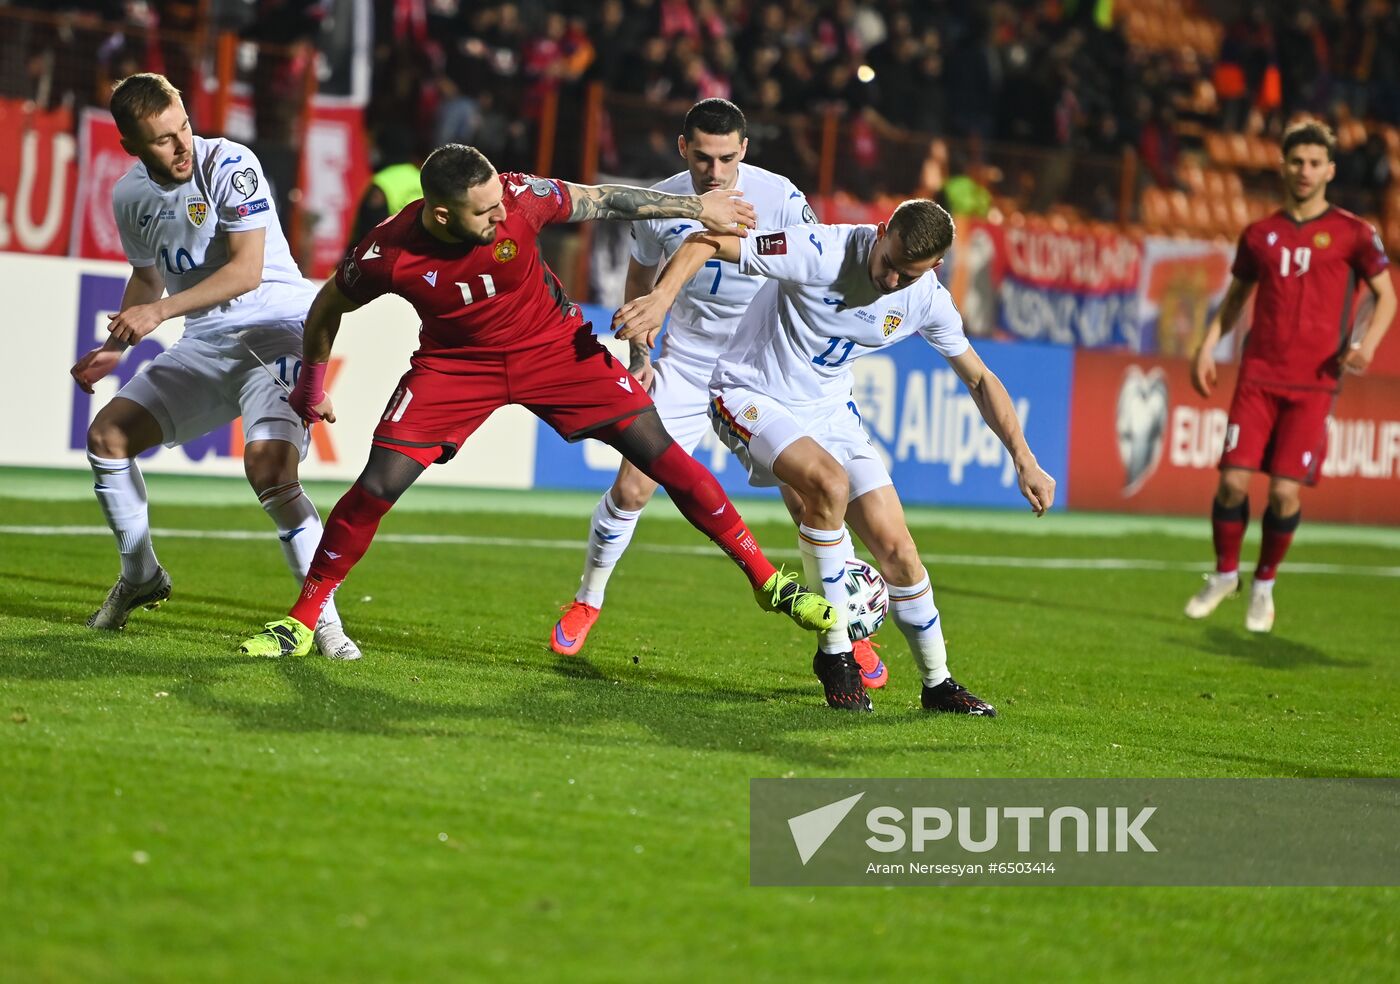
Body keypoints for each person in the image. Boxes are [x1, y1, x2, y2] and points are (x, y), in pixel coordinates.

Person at [236, 143, 839, 658]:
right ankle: (302, 621)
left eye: (500, 199)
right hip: (455, 368)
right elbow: (326, 309)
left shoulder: (521, 197)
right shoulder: (387, 253)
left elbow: (602, 199)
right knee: (375, 488)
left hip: (555, 350)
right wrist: (312, 385)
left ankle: (766, 580)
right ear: (441, 215)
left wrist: (691, 207)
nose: (502, 214)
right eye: (485, 211)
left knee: (665, 458)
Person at [614, 200, 1057, 713]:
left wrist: (1022, 456)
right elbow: (708, 240)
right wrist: (661, 299)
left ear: (933, 269)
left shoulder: (927, 300)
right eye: (888, 261)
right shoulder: (821, 250)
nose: (891, 280)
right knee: (828, 485)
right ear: (882, 229)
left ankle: (938, 683)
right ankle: (836, 653)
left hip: (830, 413)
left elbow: (979, 378)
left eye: (907, 274)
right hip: (748, 392)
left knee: (899, 551)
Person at [548, 98, 890, 690]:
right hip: (686, 361)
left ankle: (845, 635)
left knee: (811, 499)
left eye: (727, 157)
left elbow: (814, 268)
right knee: (633, 485)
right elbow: (640, 279)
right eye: (703, 157)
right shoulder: (660, 201)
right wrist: (640, 355)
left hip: (764, 365)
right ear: (684, 150)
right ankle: (588, 599)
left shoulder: (781, 196)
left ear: (745, 151)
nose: (715, 170)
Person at [68, 72, 361, 660]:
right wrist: (114, 349)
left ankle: (323, 622)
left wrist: (159, 312)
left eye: (184, 127)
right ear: (130, 145)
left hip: (278, 329)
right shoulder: (130, 196)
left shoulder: (231, 164)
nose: (183, 147)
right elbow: (148, 276)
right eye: (163, 140)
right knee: (107, 437)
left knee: (270, 467)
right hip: (206, 341)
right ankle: (140, 575)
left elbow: (246, 270)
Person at [1186, 120, 1394, 632]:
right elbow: (1235, 299)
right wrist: (1207, 346)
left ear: (1329, 170)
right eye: (1296, 162)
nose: (1304, 171)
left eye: (1314, 163)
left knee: (1284, 493)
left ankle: (1263, 586)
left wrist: (1367, 346)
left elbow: (1387, 295)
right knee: (1232, 482)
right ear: (1283, 166)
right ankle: (1224, 575)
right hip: (1258, 376)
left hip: (1315, 383)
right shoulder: (1259, 235)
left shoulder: (1354, 233)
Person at [349, 125, 423, 247]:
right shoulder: (421, 177)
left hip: (389, 255)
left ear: (384, 148)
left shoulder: (381, 182)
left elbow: (369, 231)